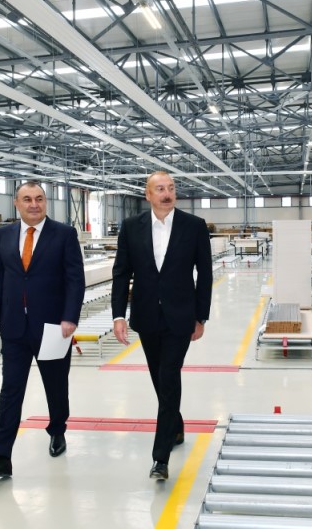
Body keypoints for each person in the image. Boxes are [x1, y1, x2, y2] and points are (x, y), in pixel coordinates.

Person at [0, 181, 85, 478]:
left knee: (55, 386)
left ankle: (57, 429)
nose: (33, 204)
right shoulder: (5, 235)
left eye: (38, 199)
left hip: (53, 327)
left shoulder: (64, 234)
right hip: (14, 327)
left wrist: (70, 317)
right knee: (10, 391)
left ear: (45, 202)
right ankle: (0, 456)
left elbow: (75, 279)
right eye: (27, 199)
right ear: (16, 203)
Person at [112, 171, 213, 481]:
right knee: (159, 378)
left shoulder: (193, 226)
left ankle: (160, 458)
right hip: (146, 316)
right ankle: (176, 425)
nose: (167, 193)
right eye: (160, 189)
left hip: (181, 316)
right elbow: (121, 273)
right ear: (148, 195)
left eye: (171, 188)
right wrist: (118, 315)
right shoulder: (131, 227)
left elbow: (205, 273)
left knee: (168, 376)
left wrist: (201, 316)